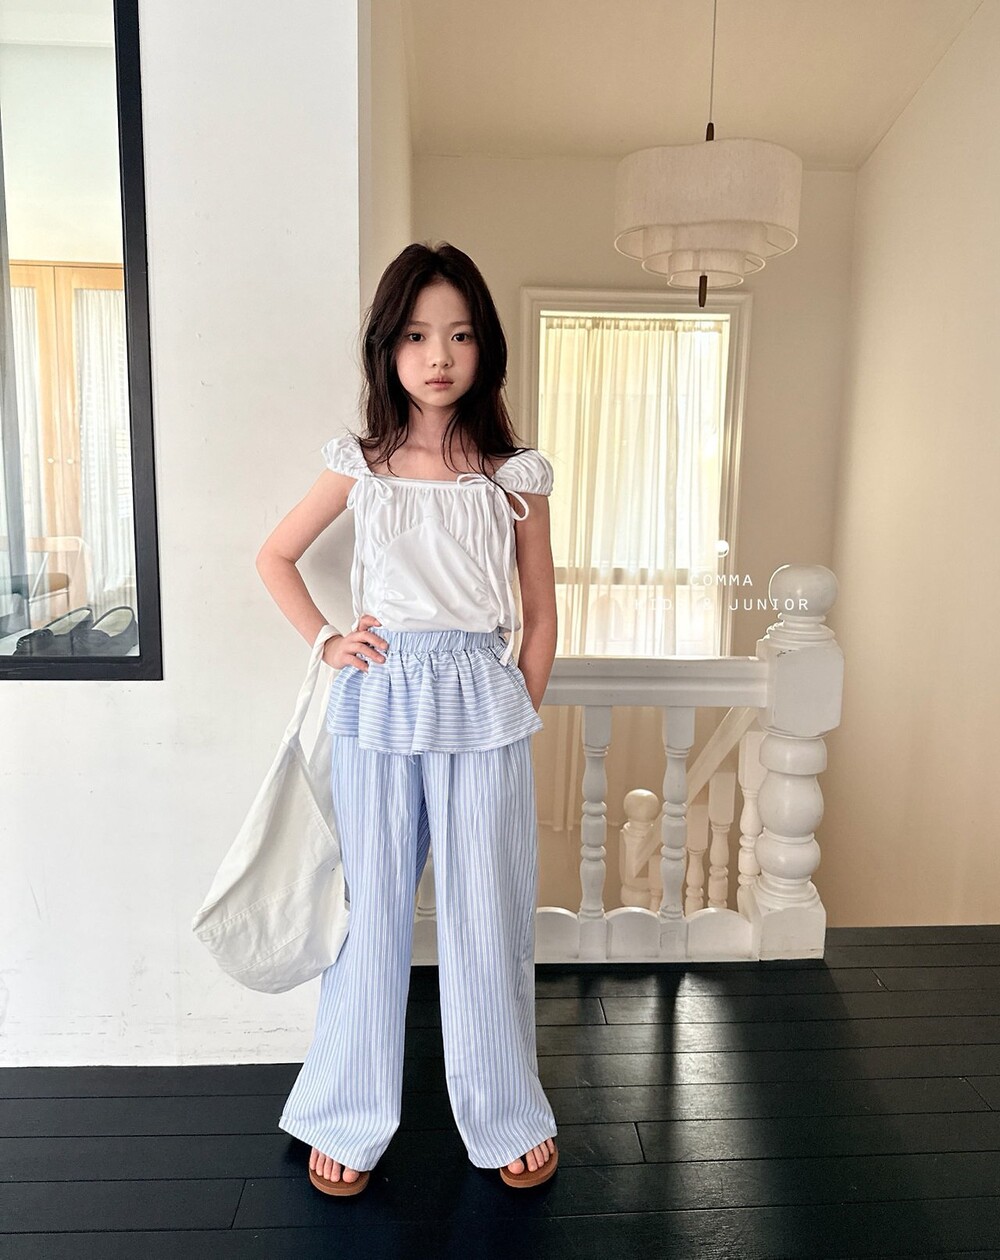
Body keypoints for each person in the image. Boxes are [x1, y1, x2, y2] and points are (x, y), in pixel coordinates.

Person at [255, 241, 559, 1196]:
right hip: (380, 701)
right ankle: (345, 1112)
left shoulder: (513, 474)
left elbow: (541, 612)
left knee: (486, 912)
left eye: (460, 335)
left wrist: (518, 702)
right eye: (419, 335)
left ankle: (506, 1110)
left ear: (484, 348)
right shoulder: (363, 465)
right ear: (389, 347)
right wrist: (329, 641)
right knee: (372, 914)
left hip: (482, 701)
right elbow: (274, 557)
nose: (439, 355)